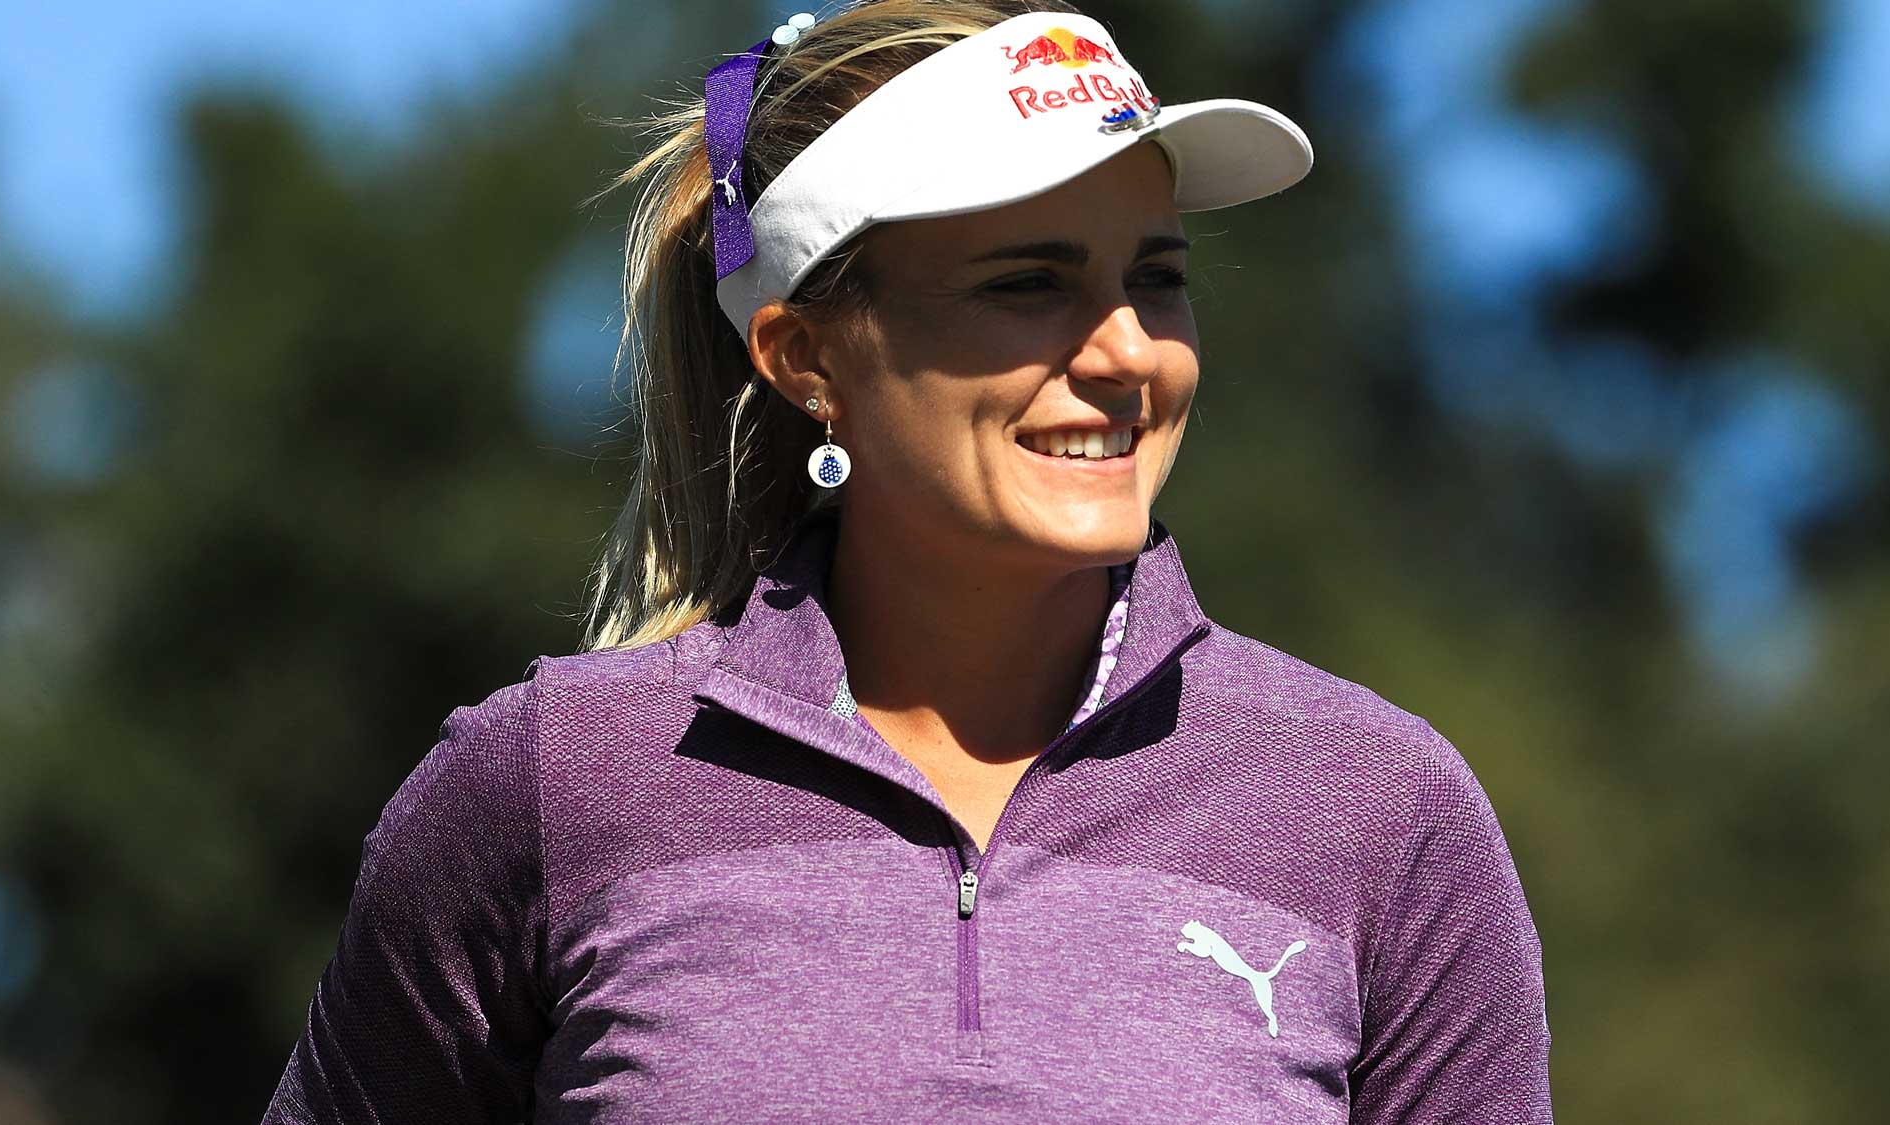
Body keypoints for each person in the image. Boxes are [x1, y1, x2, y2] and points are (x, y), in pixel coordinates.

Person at [264, 1, 1552, 1121]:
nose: (1126, 354)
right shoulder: (546, 787)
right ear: (807, 356)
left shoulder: (1381, 811)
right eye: (1025, 283)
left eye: (1155, 280)